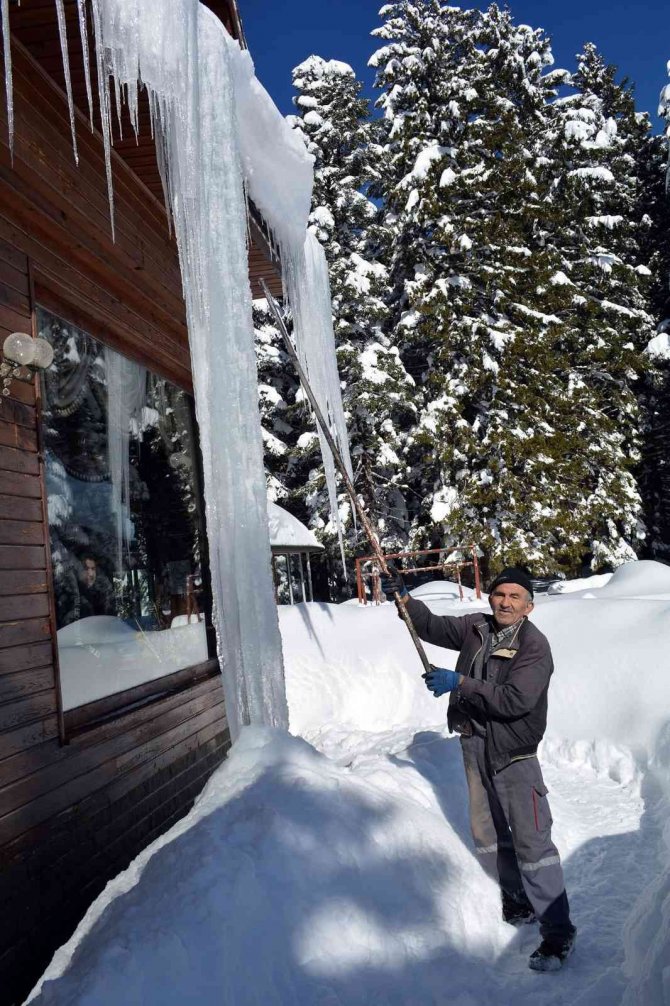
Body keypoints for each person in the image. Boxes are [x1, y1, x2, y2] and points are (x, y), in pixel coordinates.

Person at [380, 563, 576, 973]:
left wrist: (460, 683)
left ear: (529, 606)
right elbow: (431, 627)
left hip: (513, 753)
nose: (505, 602)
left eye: (515, 597)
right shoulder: (477, 627)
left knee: (532, 842)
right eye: (500, 594)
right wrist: (406, 599)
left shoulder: (535, 647)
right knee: (488, 832)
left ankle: (557, 932)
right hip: (474, 744)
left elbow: (515, 701)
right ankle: (515, 897)